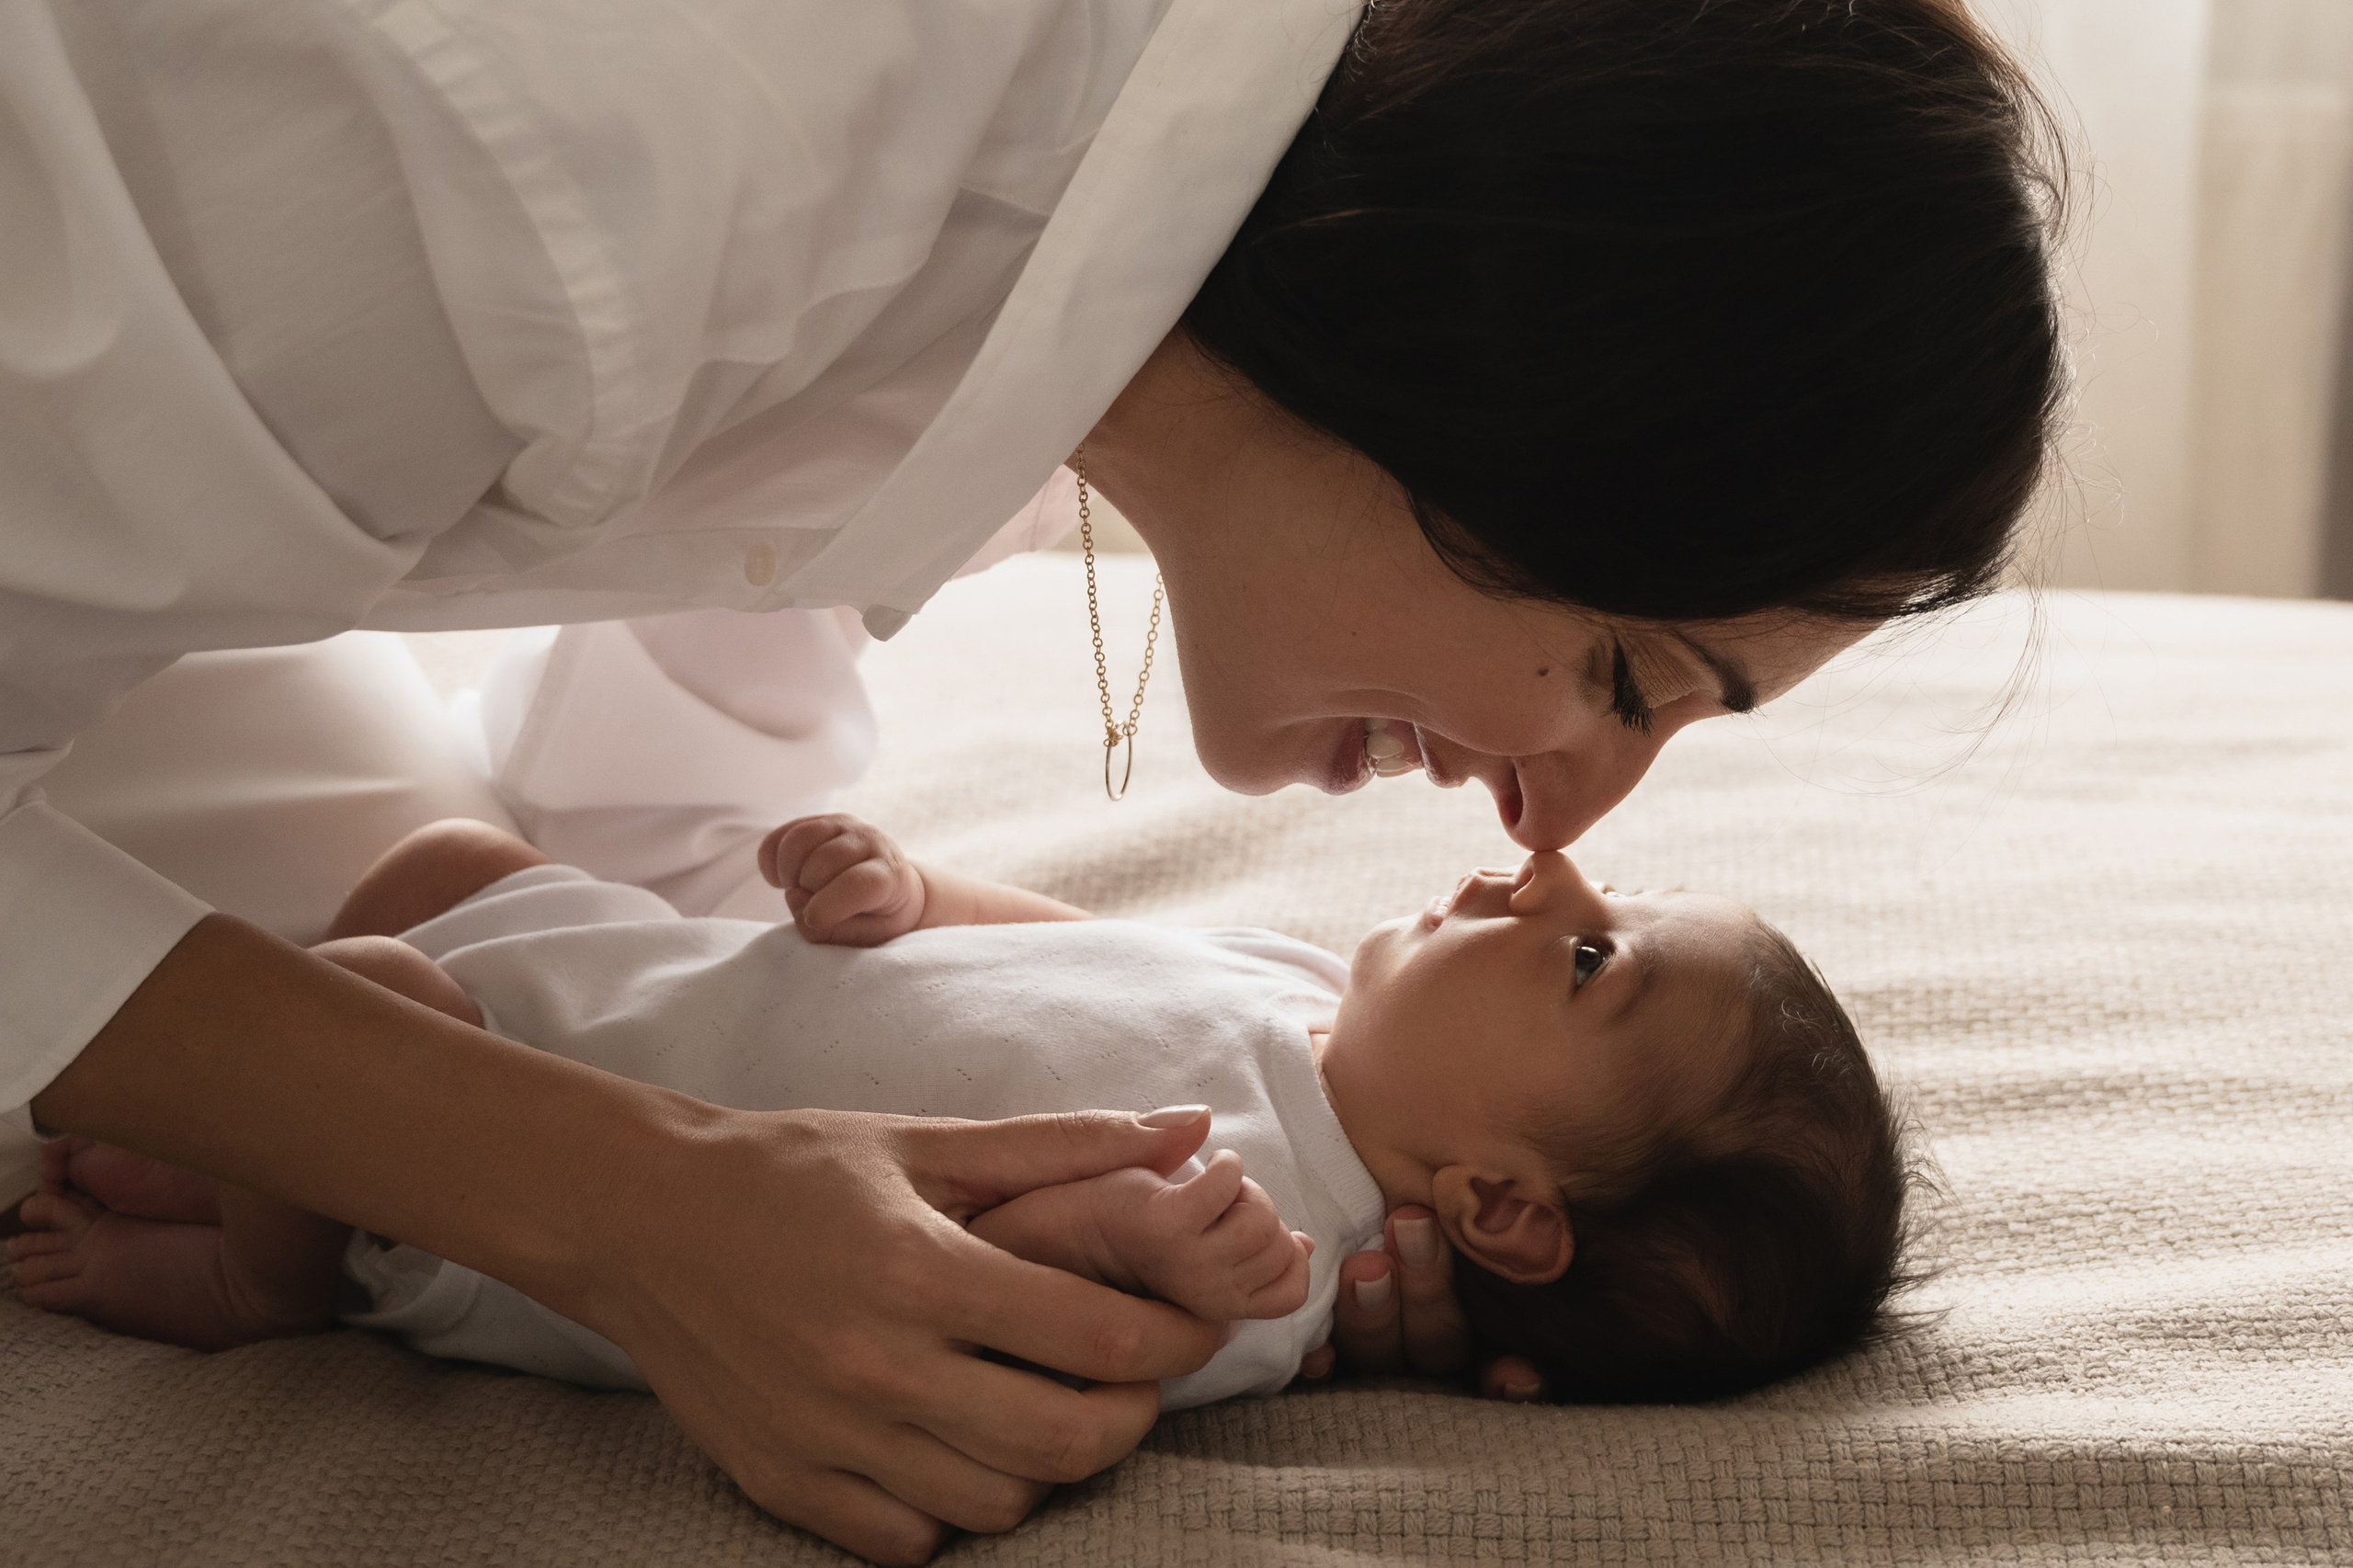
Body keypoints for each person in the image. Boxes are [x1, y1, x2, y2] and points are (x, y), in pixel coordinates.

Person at [0, 0, 2064, 1558]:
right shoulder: (579, 162)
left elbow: (667, 877)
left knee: (399, 877)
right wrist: (621, 1199)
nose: (1558, 825)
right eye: (1624, 672)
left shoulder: (1095, 316)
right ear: (1504, 383)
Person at [14, 811, 1908, 1415]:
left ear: (1498, 1207)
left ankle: (254, 1276)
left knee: (370, 1008)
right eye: (1613, 897)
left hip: (529, 1159)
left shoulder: (1253, 1250)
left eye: (1594, 966)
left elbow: (963, 1286)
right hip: (608, 978)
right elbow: (1062, 949)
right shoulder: (1295, 998)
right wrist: (906, 892)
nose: (1549, 873)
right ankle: (212, 1127)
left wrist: (1117, 1246)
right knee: (442, 860)